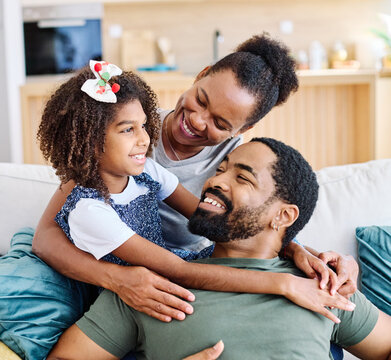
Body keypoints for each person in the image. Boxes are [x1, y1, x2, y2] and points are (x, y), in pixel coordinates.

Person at [33, 33, 359, 323]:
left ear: (242, 131)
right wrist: (116, 278)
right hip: (131, 281)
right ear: (201, 75)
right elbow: (46, 235)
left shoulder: (226, 164)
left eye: (220, 122)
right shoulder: (118, 135)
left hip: (182, 272)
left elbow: (237, 229)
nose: (197, 121)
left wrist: (298, 252)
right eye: (201, 100)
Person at [49, 138, 391, 360]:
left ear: (283, 216)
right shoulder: (148, 288)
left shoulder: (322, 286)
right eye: (220, 170)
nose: (214, 181)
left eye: (242, 178)